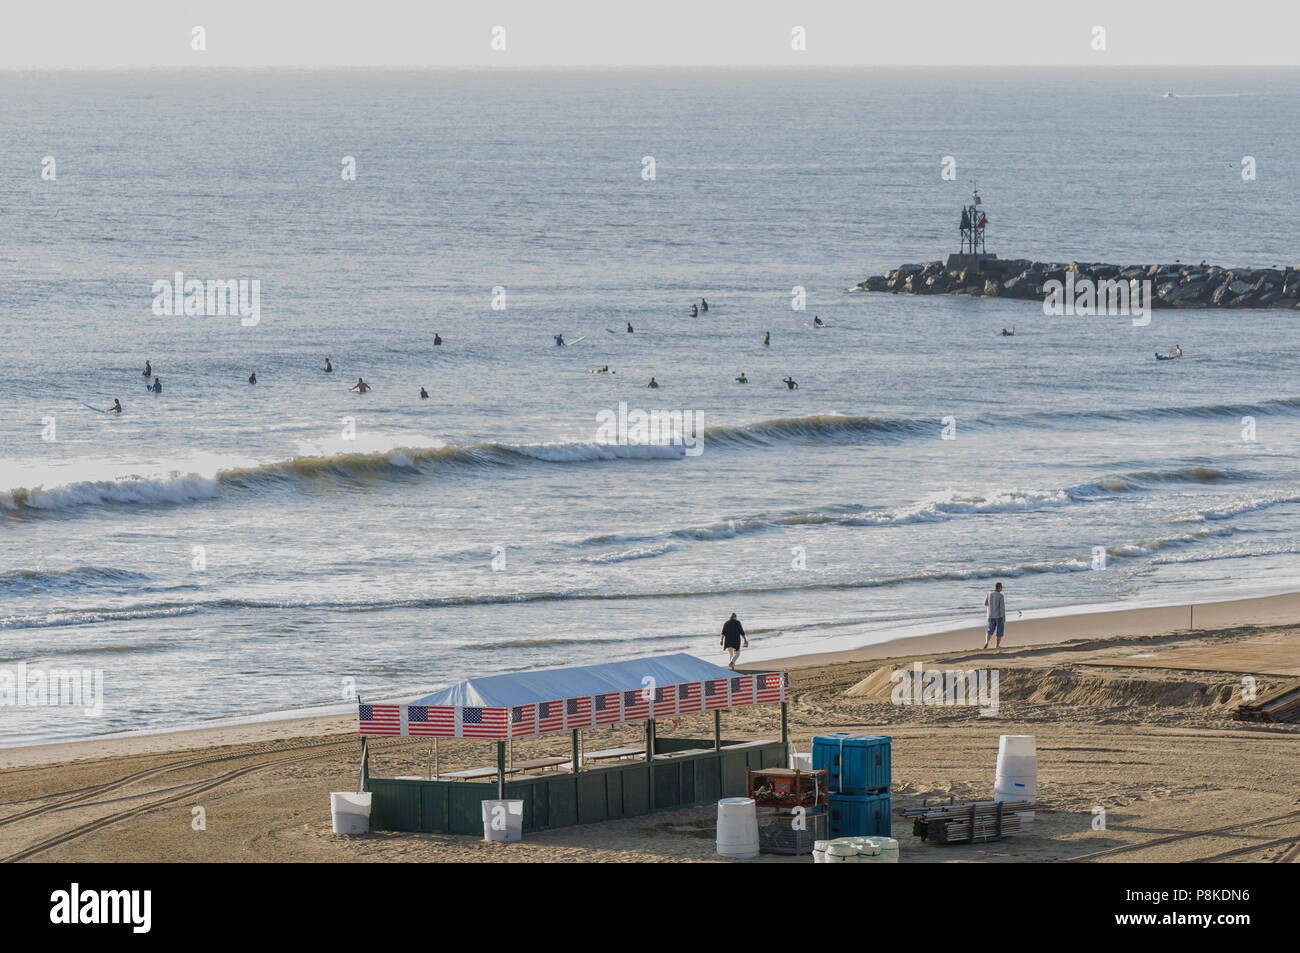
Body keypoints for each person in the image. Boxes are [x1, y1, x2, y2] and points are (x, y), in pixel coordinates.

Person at [983, 582, 1006, 649]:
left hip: (990, 615)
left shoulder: (989, 593)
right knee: (999, 631)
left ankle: (987, 642)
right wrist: (1003, 617)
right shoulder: (1000, 595)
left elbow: (985, 604)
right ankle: (997, 645)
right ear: (999, 587)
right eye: (1001, 587)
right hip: (999, 616)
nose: (1002, 588)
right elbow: (1002, 607)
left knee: (990, 630)